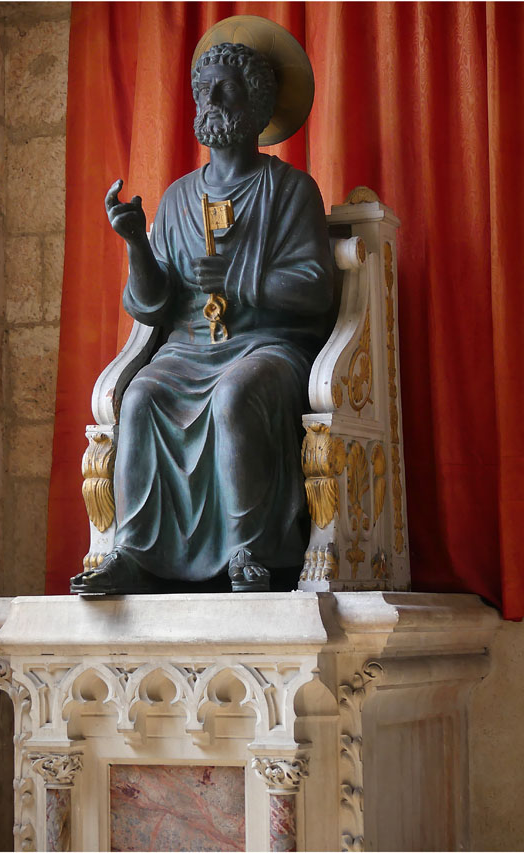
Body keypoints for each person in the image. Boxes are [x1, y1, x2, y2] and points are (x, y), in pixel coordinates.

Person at [70, 36, 333, 595]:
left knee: (236, 394)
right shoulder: (178, 198)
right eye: (203, 91)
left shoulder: (290, 190)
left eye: (226, 90)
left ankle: (249, 550)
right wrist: (136, 243)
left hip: (268, 346)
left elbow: (315, 287)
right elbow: (152, 304)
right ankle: (134, 553)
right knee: (141, 397)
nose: (210, 101)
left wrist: (240, 282)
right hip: (188, 350)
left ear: (257, 104)